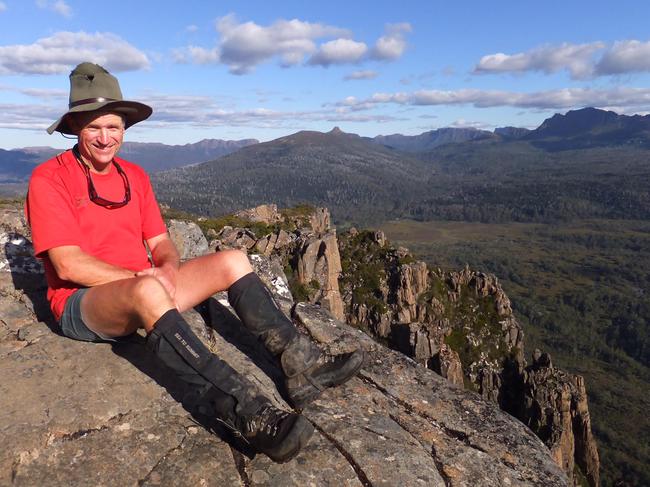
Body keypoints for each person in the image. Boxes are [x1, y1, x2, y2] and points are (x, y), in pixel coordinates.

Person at [25, 62, 364, 463]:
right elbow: (67, 266)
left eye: (112, 126)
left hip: (146, 290)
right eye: (93, 127)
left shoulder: (133, 175)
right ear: (76, 127)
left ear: (124, 129)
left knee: (234, 260)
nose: (104, 137)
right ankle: (251, 415)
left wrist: (167, 269)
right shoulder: (49, 179)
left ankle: (302, 367)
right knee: (148, 289)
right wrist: (143, 278)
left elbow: (161, 241)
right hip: (84, 303)